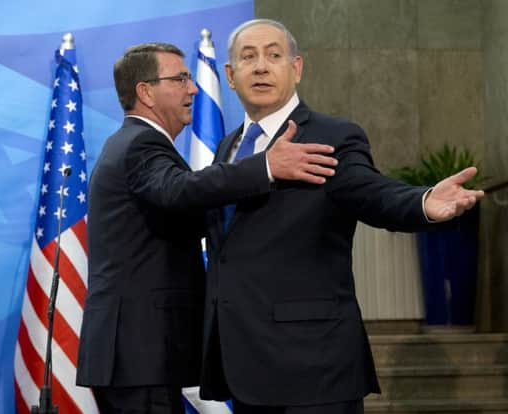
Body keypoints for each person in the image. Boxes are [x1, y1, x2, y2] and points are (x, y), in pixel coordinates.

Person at [198, 19, 485, 414]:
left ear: (296, 68)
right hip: (244, 364)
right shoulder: (228, 146)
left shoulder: (332, 136)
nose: (261, 66)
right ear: (230, 76)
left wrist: (422, 202)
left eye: (274, 55)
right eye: (248, 58)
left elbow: (371, 192)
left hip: (313, 367)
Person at [76, 42, 338, 413]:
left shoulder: (134, 144)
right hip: (140, 351)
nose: (194, 88)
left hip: (138, 354)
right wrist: (264, 166)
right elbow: (179, 190)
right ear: (145, 92)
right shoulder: (141, 145)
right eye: (180, 78)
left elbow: (186, 212)